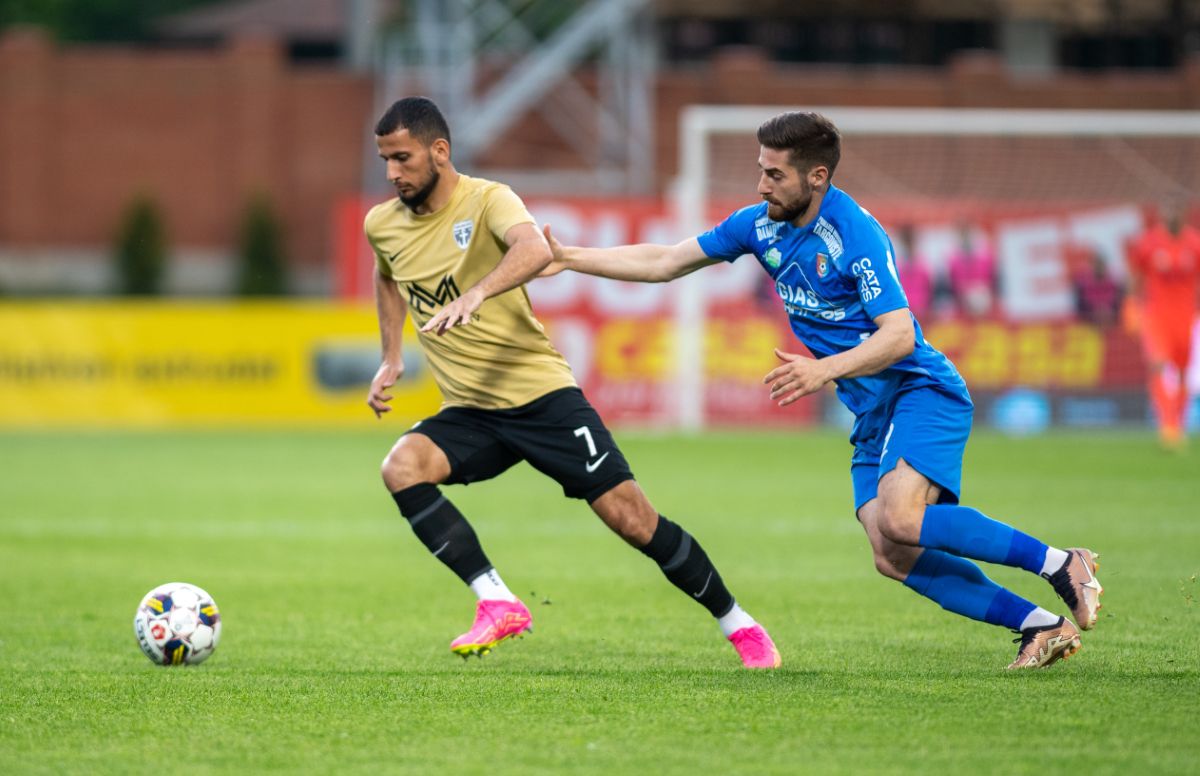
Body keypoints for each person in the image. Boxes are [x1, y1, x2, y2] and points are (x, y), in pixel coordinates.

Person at [540, 111, 1103, 669]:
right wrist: (568, 258)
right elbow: (665, 261)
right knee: (891, 553)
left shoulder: (852, 232)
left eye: (775, 174)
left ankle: (1060, 562)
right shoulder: (758, 224)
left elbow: (901, 335)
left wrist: (824, 369)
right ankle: (1039, 626)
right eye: (760, 170)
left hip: (919, 390)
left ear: (817, 177)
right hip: (870, 410)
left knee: (901, 518)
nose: (762, 185)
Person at [363, 96, 780, 668]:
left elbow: (534, 248)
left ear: (440, 151)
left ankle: (741, 626)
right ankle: (498, 601)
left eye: (403, 158)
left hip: (541, 398)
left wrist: (479, 291)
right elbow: (386, 275)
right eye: (385, 160)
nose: (392, 173)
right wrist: (391, 357)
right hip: (471, 410)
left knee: (633, 519)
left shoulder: (487, 199)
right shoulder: (382, 223)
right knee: (401, 467)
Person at [1125, 203, 1200, 450]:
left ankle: (1178, 423)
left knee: (1182, 373)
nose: (1172, 217)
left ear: (1184, 215)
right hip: (1157, 316)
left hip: (1187, 317)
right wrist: (1131, 304)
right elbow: (1135, 274)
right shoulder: (1149, 243)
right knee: (1158, 365)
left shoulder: (1194, 243)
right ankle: (1167, 425)